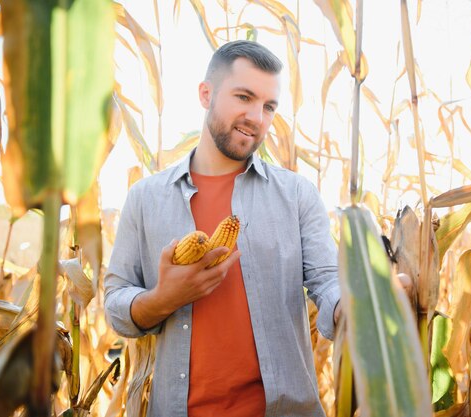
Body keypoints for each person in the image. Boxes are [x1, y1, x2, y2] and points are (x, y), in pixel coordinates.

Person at [104, 40, 341, 417]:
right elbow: (115, 304)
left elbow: (329, 283)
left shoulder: (297, 195)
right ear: (205, 93)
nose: (256, 117)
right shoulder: (145, 198)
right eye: (244, 97)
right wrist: (163, 298)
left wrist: (353, 307)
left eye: (268, 106)